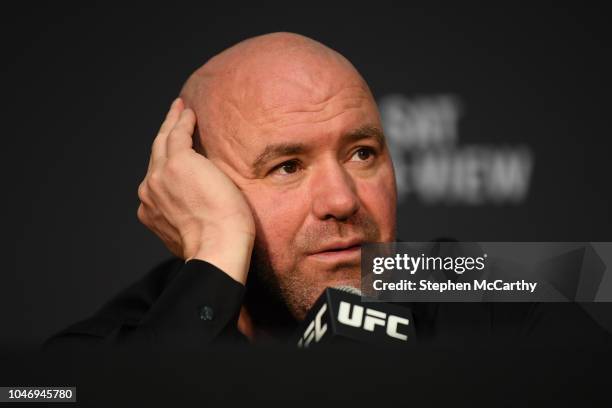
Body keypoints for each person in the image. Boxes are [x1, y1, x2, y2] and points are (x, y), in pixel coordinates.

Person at [45, 32, 610, 350]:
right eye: (287, 166)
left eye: (362, 154)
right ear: (200, 187)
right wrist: (216, 253)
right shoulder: (101, 350)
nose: (342, 201)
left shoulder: (477, 284)